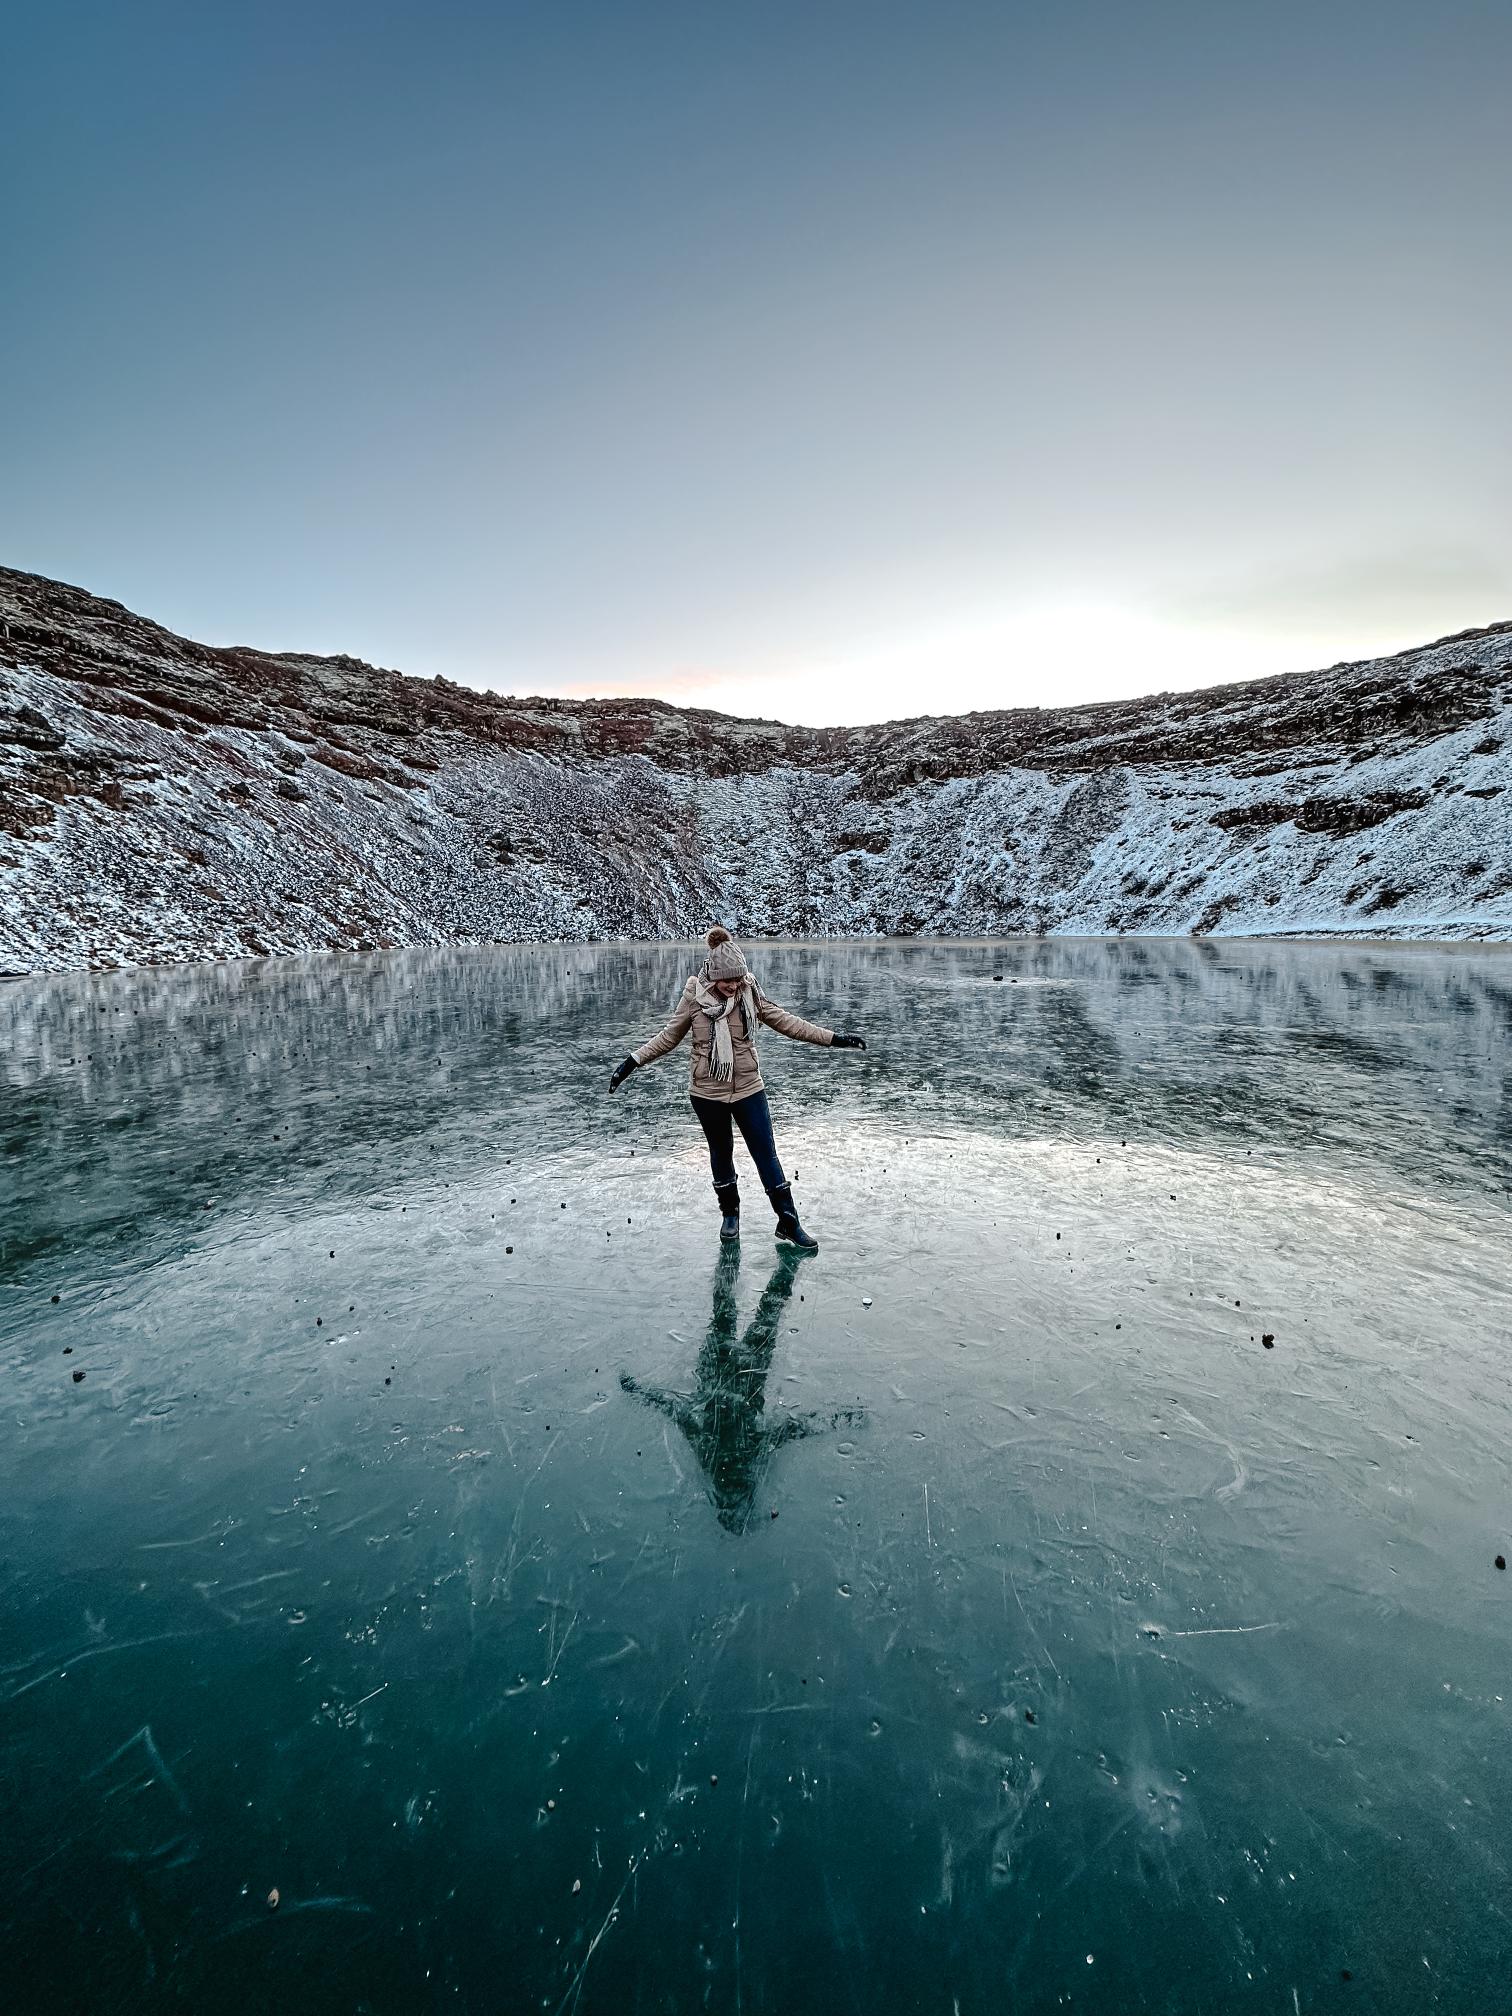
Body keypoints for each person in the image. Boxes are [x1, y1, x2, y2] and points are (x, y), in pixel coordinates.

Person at [608, 926, 865, 1251]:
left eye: (737, 980)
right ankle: (730, 1214)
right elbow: (669, 1036)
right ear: (713, 975)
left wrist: (833, 1039)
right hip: (707, 1092)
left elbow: (786, 1021)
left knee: (766, 1154)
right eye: (727, 980)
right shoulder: (694, 995)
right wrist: (631, 1062)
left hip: (748, 1087)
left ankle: (788, 1221)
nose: (733, 986)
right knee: (721, 1153)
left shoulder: (748, 990)